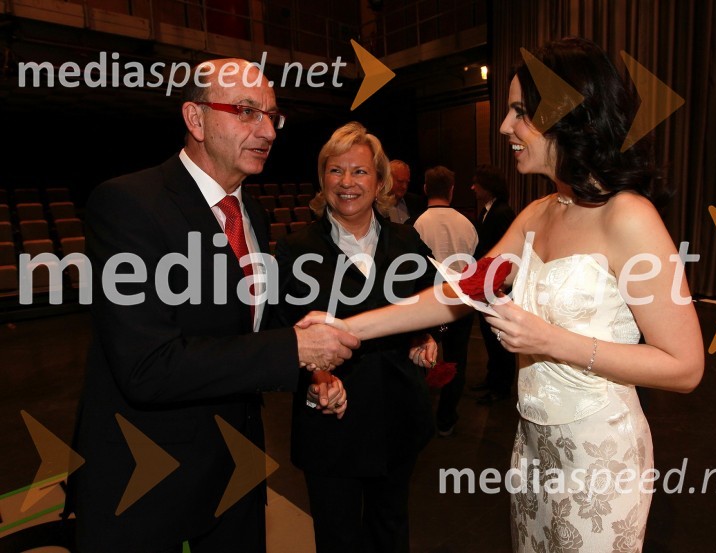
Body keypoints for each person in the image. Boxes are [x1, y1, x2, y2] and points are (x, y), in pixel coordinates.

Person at [300, 37, 704, 552]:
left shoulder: (628, 217)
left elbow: (685, 367)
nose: (504, 126)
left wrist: (552, 340)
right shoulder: (538, 215)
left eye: (519, 111)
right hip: (533, 448)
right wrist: (344, 328)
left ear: (566, 114)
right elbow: (455, 294)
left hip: (599, 458)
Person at [64, 58, 359, 552]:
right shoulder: (127, 204)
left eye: (272, 116)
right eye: (246, 111)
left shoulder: (252, 214)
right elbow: (148, 366)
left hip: (235, 473)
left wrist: (312, 370)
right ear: (195, 119)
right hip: (147, 480)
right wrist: (295, 351)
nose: (267, 129)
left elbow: (244, 330)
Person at [276, 122, 437, 553]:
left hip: (398, 417)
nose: (347, 182)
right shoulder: (295, 248)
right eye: (335, 170)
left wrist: (425, 333)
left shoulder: (408, 240)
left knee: (391, 529)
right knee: (338, 538)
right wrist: (316, 375)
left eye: (360, 172)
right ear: (322, 177)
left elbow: (436, 299)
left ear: (381, 181)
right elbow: (284, 331)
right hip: (331, 423)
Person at [413, 165, 478, 436]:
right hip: (461, 302)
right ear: (452, 190)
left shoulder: (418, 224)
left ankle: (422, 417)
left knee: (422, 357)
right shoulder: (467, 224)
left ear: (426, 189)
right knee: (457, 359)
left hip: (429, 303)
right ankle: (446, 417)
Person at [469, 164, 517, 405]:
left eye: (477, 183)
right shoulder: (487, 211)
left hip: (497, 286)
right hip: (487, 284)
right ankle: (492, 378)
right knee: (489, 336)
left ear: (488, 186)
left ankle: (501, 387)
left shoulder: (502, 212)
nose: (473, 188)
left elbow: (505, 255)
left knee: (499, 338)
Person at [387, 159, 426, 224]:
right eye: (400, 181)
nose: (404, 186)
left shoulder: (416, 202)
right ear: (388, 179)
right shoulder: (376, 204)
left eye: (407, 182)